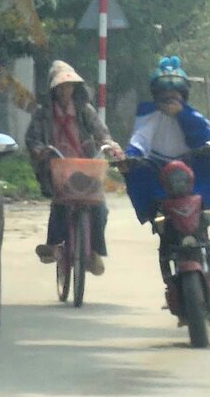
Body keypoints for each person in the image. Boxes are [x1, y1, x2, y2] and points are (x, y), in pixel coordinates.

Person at [121, 56, 210, 277]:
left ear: (183, 96)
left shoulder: (193, 116)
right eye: (165, 97)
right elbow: (139, 141)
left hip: (192, 179)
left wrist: (183, 117)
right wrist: (130, 158)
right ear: (157, 97)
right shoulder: (148, 115)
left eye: (175, 96)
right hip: (160, 181)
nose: (170, 101)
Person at [25, 60, 123, 276]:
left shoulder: (84, 110)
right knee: (60, 204)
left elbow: (101, 132)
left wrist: (111, 146)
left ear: (75, 88)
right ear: (53, 89)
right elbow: (32, 139)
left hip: (85, 167)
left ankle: (93, 251)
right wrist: (40, 150)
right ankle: (53, 245)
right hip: (57, 167)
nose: (65, 91)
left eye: (68, 86)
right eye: (60, 87)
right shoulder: (43, 113)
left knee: (100, 208)